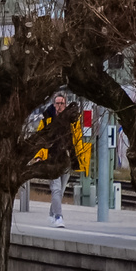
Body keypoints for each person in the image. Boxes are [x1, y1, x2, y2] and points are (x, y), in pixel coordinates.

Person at [43, 92, 77, 228]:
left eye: (62, 103)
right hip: (53, 159)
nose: (59, 106)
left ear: (66, 105)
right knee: (56, 189)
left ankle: (52, 213)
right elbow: (41, 138)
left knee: (61, 191)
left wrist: (77, 158)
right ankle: (58, 217)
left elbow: (76, 139)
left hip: (66, 159)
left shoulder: (71, 120)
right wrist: (41, 155)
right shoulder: (47, 119)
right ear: (53, 104)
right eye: (57, 103)